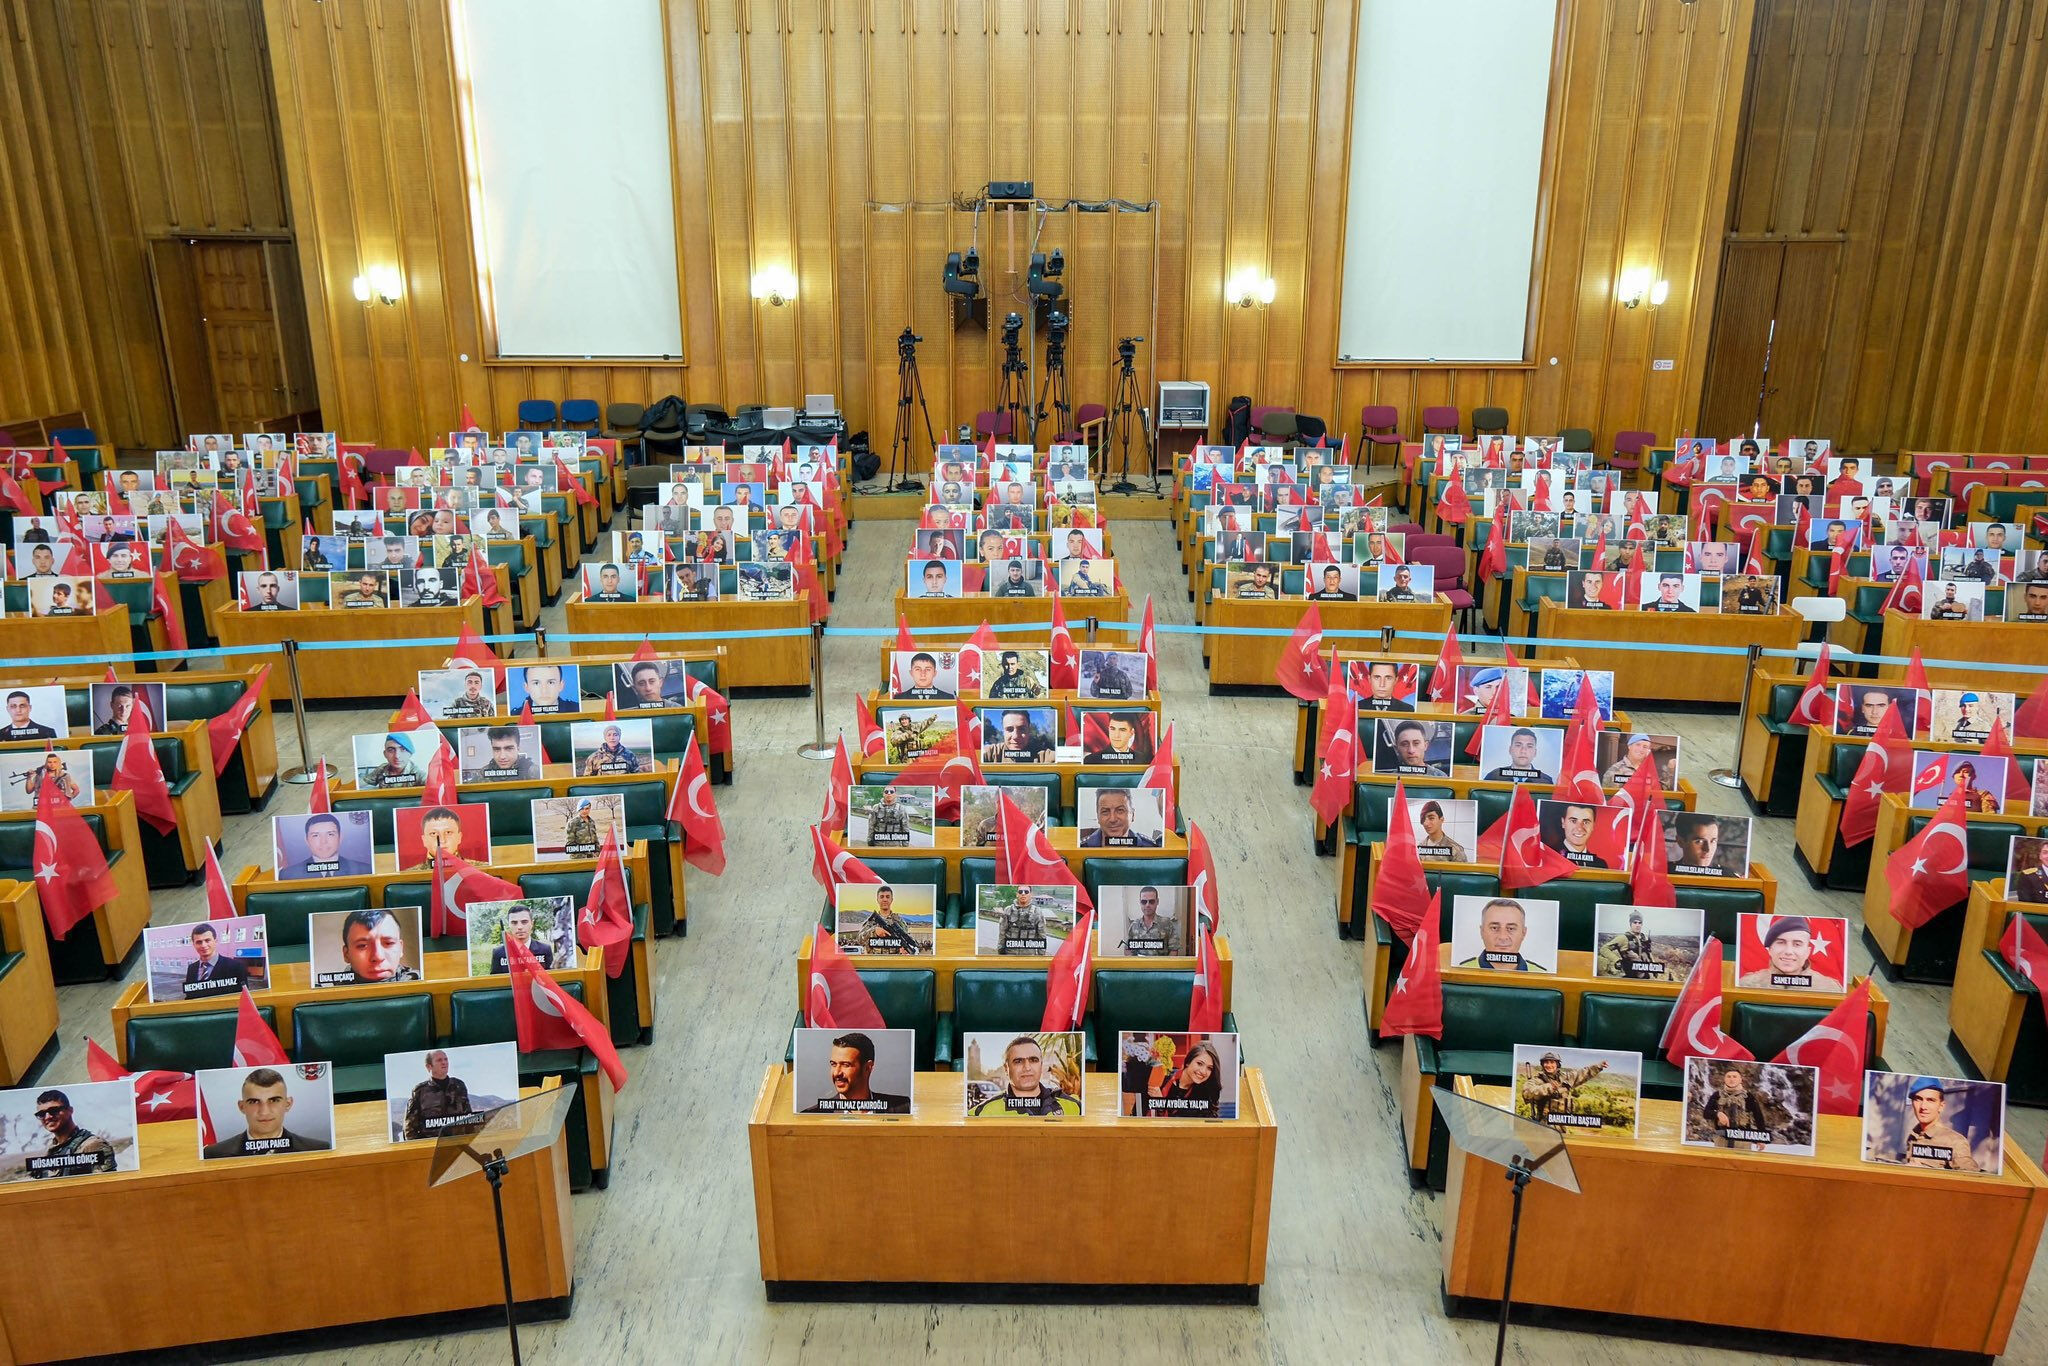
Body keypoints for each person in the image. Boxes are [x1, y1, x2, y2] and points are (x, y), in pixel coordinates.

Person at [203, 1068, 331, 1157]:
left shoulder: (317, 1150)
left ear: (288, 1104)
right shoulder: (213, 1154)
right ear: (242, 1107)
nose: (264, 1112)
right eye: (254, 1102)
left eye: (274, 1100)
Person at [970, 1036, 1081, 1116]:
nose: (1027, 1067)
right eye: (1018, 1061)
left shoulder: (1074, 1106)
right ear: (1006, 1069)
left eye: (1033, 1060)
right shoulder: (983, 1113)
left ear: (1041, 1065)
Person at [803, 1033, 911, 1114]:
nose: (836, 1073)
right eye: (833, 1064)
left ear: (868, 1068)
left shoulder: (902, 1108)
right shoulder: (813, 1115)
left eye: (846, 1065)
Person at [1892, 1078, 1981, 1171]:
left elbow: (1970, 1177)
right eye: (1918, 1099)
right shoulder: (1913, 1136)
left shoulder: (1955, 1142)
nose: (1923, 1107)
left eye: (1930, 1100)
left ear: (1941, 1106)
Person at [1735, 915, 1843, 990]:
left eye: (1797, 944)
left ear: (1807, 952)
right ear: (1770, 949)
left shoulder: (1831, 988)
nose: (1788, 952)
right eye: (1781, 942)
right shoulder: (1747, 984)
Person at [27, 1089, 118, 1178]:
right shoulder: (53, 1149)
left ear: (70, 1110)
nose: (48, 1117)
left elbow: (106, 1186)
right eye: (41, 1114)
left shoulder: (93, 1145)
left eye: (54, 1110)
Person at [401, 1050, 483, 1140]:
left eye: (446, 1059)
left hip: (458, 1143)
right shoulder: (420, 1091)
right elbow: (409, 1128)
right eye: (439, 1060)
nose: (444, 1062)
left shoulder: (459, 1085)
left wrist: (471, 1139)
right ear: (429, 1066)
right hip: (432, 1145)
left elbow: (468, 1117)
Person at [329, 908, 420, 984]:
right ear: (346, 954)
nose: (378, 956)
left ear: (400, 948)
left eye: (388, 943)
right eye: (362, 945)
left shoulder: (419, 982)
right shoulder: (326, 994)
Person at [1458, 897, 1550, 971]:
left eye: (1511, 928)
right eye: (1494, 928)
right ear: (1482, 931)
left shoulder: (1541, 975)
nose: (1503, 937)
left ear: (1523, 933)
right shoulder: (1461, 971)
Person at [1519, 1052, 1611, 1125]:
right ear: (1542, 1065)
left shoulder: (1565, 1077)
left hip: (1563, 1122)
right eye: (1546, 1062)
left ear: (1557, 1064)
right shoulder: (1536, 1080)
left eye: (1552, 1062)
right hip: (1544, 1123)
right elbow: (1527, 1093)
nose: (1549, 1065)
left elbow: (1582, 1073)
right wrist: (1548, 1088)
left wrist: (1598, 1067)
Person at [1699, 1064, 1771, 1149]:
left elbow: (1758, 1117)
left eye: (1734, 1077)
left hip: (1743, 1139)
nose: (1731, 1079)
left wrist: (1761, 1138)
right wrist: (1718, 1114)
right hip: (1722, 1138)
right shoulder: (1717, 1095)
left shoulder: (1748, 1096)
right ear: (1724, 1079)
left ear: (1741, 1080)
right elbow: (1706, 1113)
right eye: (1728, 1077)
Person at [1150, 1040, 1226, 1118]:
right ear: (1188, 1062)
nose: (1203, 1071)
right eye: (1199, 1064)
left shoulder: (1203, 1094)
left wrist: (1160, 1102)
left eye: (1209, 1068)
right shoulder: (1164, 1078)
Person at [282, 812, 370, 878]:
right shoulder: (288, 875)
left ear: (340, 838)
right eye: (315, 835)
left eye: (330, 834)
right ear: (307, 840)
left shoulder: (364, 870)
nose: (323, 841)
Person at [1597, 910, 1675, 980]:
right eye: (1635, 922)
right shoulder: (1623, 938)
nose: (1637, 925)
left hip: (1646, 975)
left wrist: (1653, 967)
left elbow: (1649, 954)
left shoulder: (1643, 937)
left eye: (1640, 923)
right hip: (1632, 976)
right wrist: (1616, 960)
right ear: (1630, 924)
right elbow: (1604, 949)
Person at [180, 922, 249, 996]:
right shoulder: (191, 968)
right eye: (199, 942)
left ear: (215, 941)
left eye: (207, 940)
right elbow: (189, 996)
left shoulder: (236, 967)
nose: (203, 945)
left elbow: (244, 998)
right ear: (194, 944)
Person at [848, 885, 922, 954]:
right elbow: (859, 939)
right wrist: (874, 931)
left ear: (891, 899)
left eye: (887, 897)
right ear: (877, 899)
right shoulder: (871, 921)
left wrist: (904, 951)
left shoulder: (899, 921)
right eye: (882, 897)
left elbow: (906, 938)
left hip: (893, 963)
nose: (885, 899)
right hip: (875, 962)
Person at [1081, 788, 1160, 848]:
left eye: (1120, 810)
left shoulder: (1150, 847)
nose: (1112, 819)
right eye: (1105, 812)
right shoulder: (1082, 847)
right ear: (1098, 816)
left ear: (1132, 815)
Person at [488, 904, 555, 973]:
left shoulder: (544, 950)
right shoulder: (499, 953)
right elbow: (495, 981)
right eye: (514, 923)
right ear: (509, 925)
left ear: (532, 923)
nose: (519, 927)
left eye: (524, 922)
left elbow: (551, 978)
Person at [465, 726, 538, 782]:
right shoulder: (484, 772)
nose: (502, 756)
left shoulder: (533, 771)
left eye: (509, 748)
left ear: (518, 748)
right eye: (497, 749)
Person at [982, 708, 1056, 764]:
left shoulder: (1043, 756)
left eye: (1022, 729)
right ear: (1003, 731)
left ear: (1029, 730)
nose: (1015, 736)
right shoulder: (992, 753)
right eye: (1009, 729)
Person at [1483, 727, 1555, 783]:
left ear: (1535, 752)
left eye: (1529, 746)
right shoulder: (1494, 776)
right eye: (1518, 745)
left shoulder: (1545, 781)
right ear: (1510, 750)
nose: (1523, 751)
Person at [1118, 888, 1179, 954]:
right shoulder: (1134, 925)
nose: (1147, 905)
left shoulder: (1167, 924)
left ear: (1157, 901)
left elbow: (1174, 950)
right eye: (1144, 902)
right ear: (1140, 902)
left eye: (1151, 901)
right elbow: (1127, 949)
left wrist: (1165, 964)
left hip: (1161, 964)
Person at [407, 806, 469, 871]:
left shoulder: (478, 868)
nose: (442, 840)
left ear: (459, 837)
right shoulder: (408, 874)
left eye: (448, 832)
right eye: (433, 833)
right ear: (424, 840)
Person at [1548, 802, 1608, 868]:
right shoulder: (1549, 858)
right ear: (1563, 822)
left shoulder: (1600, 865)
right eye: (1573, 821)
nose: (1579, 828)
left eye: (1586, 822)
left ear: (1593, 825)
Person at [1379, 719, 1447, 777]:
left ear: (1425, 746)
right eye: (1404, 744)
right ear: (1397, 749)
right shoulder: (1390, 780)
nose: (1411, 750)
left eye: (1416, 743)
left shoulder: (1440, 776)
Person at [993, 885, 1047, 952]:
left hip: (1029, 955)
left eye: (1026, 892)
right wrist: (1000, 950)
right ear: (1017, 894)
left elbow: (1042, 936)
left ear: (1031, 894)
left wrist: (1041, 956)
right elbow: (1002, 933)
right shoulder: (1008, 910)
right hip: (1010, 954)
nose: (1023, 894)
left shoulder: (1037, 912)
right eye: (1020, 892)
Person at [1086, 712, 1152, 765]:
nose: (1116, 735)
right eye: (1113, 729)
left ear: (1131, 733)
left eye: (1122, 730)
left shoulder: (1142, 759)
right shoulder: (1092, 760)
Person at [581, 723, 647, 776]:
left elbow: (637, 775)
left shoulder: (630, 755)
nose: (612, 738)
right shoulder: (594, 757)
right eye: (609, 735)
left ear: (619, 737)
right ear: (605, 738)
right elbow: (587, 779)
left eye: (615, 735)